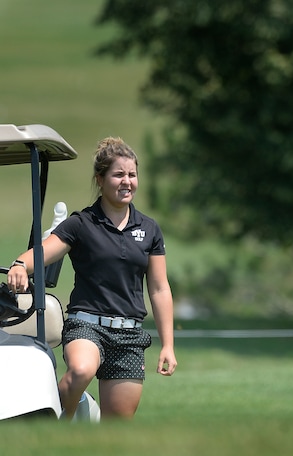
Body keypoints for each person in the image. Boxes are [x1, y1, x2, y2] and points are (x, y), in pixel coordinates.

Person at [7, 136, 177, 420]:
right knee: (82, 370)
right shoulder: (81, 223)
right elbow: (40, 254)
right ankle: (56, 431)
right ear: (100, 179)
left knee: (116, 428)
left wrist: (168, 345)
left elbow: (159, 289)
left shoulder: (149, 229)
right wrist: (19, 265)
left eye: (132, 175)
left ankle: (85, 413)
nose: (127, 181)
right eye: (118, 174)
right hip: (85, 325)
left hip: (129, 334)